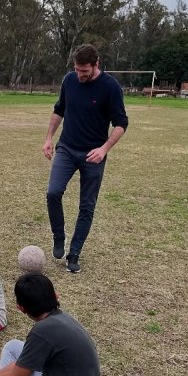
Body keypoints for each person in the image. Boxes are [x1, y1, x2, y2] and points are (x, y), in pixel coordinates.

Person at [42, 44, 128, 273]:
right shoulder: (69, 81)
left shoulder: (110, 87)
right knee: (53, 192)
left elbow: (121, 124)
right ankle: (58, 237)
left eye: (85, 71)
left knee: (86, 207)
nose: (80, 75)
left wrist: (104, 148)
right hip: (67, 149)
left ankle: (74, 253)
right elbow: (59, 109)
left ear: (96, 64)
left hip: (94, 155)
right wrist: (49, 138)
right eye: (77, 70)